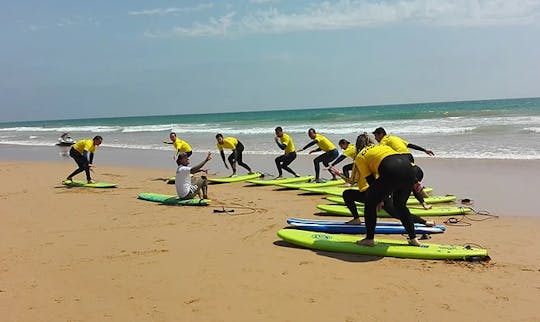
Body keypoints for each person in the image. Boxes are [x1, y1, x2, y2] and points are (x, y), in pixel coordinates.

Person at [352, 133, 420, 247]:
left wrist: (378, 199)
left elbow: (371, 180)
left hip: (392, 171)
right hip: (410, 170)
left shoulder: (360, 156)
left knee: (369, 202)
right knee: (400, 206)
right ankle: (413, 239)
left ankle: (369, 239)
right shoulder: (383, 146)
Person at [372, 127, 434, 209]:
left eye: (376, 136)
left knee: (398, 181)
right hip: (409, 156)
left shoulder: (384, 140)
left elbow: (379, 151)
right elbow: (410, 145)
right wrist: (424, 150)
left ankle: (416, 189)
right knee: (409, 181)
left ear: (381, 134)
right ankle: (420, 193)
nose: (375, 138)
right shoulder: (395, 138)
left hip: (401, 159)